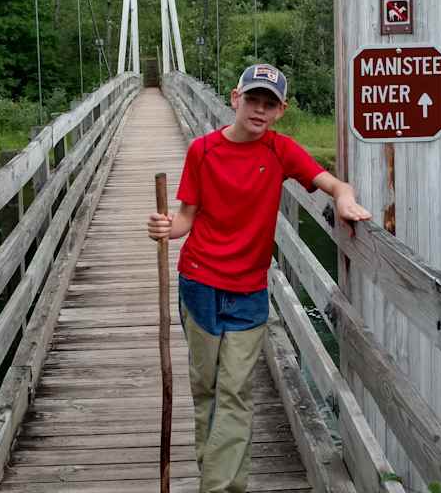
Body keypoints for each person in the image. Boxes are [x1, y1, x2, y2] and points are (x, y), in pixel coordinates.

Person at [146, 63, 372, 493]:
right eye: (253, 99)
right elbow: (185, 220)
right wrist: (163, 227)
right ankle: (218, 477)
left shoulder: (280, 151)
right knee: (207, 390)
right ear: (236, 98)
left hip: (248, 290)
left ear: (280, 110)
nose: (259, 110)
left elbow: (333, 183)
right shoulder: (203, 151)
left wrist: (345, 199)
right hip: (200, 284)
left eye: (269, 104)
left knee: (234, 392)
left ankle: (220, 487)